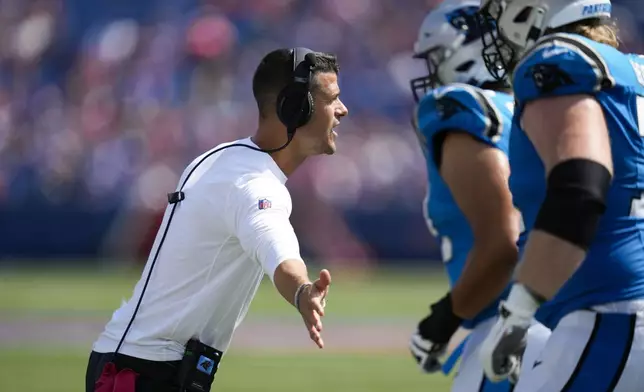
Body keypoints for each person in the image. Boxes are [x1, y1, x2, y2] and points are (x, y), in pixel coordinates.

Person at [85, 47, 348, 392]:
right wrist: (302, 292)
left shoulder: (222, 158)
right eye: (332, 99)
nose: (342, 110)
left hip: (143, 364)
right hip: (144, 375)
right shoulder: (254, 185)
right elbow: (279, 253)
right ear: (296, 108)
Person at [477, 0, 644, 390]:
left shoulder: (556, 60)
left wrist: (517, 313)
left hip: (611, 313)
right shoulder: (634, 71)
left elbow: (580, 188)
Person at [406, 1, 549, 391]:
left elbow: (503, 245)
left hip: (515, 332)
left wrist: (443, 321)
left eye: (437, 58)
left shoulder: (462, 108)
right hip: (570, 320)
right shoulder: (543, 107)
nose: (432, 73)